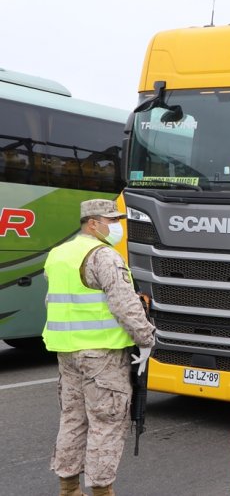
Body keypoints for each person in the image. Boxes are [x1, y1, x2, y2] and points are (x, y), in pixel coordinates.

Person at [42, 199, 155, 496]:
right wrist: (146, 338)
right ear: (93, 223)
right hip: (102, 356)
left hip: (67, 353)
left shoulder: (58, 254)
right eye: (111, 220)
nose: (115, 226)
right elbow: (126, 305)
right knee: (106, 422)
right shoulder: (103, 255)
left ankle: (68, 489)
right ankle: (102, 492)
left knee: (72, 418)